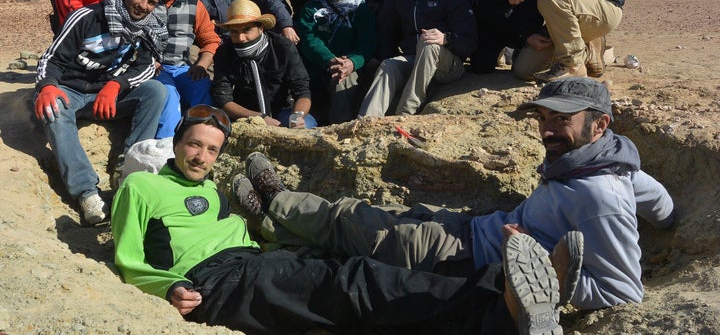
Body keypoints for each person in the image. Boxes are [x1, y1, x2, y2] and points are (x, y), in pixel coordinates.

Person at [112, 103, 566, 335]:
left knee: (364, 270)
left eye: (212, 150)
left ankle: (496, 288)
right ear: (177, 143)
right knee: (352, 281)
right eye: (194, 145)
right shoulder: (142, 188)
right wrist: (168, 287)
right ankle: (500, 311)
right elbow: (129, 261)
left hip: (258, 261)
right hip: (215, 281)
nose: (202, 156)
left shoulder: (210, 188)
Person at [240, 77, 675, 312]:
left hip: (468, 259)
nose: (546, 129)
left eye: (561, 120)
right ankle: (281, 214)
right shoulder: (609, 161)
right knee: (378, 212)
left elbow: (622, 292)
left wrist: (543, 272)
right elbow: (656, 198)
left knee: (353, 225)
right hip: (474, 228)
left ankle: (273, 208)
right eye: (543, 117)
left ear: (599, 124)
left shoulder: (598, 196)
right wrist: (672, 223)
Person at [34, 0, 168, 224]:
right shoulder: (88, 17)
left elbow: (148, 67)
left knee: (156, 92)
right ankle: (87, 193)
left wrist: (116, 85)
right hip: (70, 90)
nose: (144, 5)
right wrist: (47, 86)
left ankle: (130, 170)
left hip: (105, 97)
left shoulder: (148, 29)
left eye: (151, 1)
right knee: (54, 109)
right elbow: (52, 59)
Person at [358, 0, 477, 117]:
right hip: (414, 60)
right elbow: (385, 30)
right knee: (389, 65)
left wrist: (447, 39)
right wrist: (386, 54)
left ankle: (405, 113)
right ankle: (364, 122)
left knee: (429, 43)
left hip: (448, 66)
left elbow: (470, 41)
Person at [212, 0, 317, 129]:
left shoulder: (283, 47)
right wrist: (259, 118)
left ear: (260, 28)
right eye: (235, 32)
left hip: (284, 111)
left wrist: (296, 116)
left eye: (246, 30)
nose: (241, 38)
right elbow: (223, 99)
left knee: (306, 125)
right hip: (245, 116)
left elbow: (302, 90)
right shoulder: (224, 53)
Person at [296, 0, 376, 124]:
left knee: (343, 78)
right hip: (319, 69)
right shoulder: (312, 9)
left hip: (350, 68)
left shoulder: (360, 8)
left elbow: (368, 42)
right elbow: (310, 40)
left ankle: (341, 128)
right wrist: (330, 60)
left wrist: (352, 62)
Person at [153, 0, 221, 138]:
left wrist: (202, 65)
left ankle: (204, 139)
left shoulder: (194, 4)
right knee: (168, 94)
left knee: (202, 87)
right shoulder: (146, 1)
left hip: (181, 68)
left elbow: (210, 40)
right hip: (153, 68)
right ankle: (167, 145)